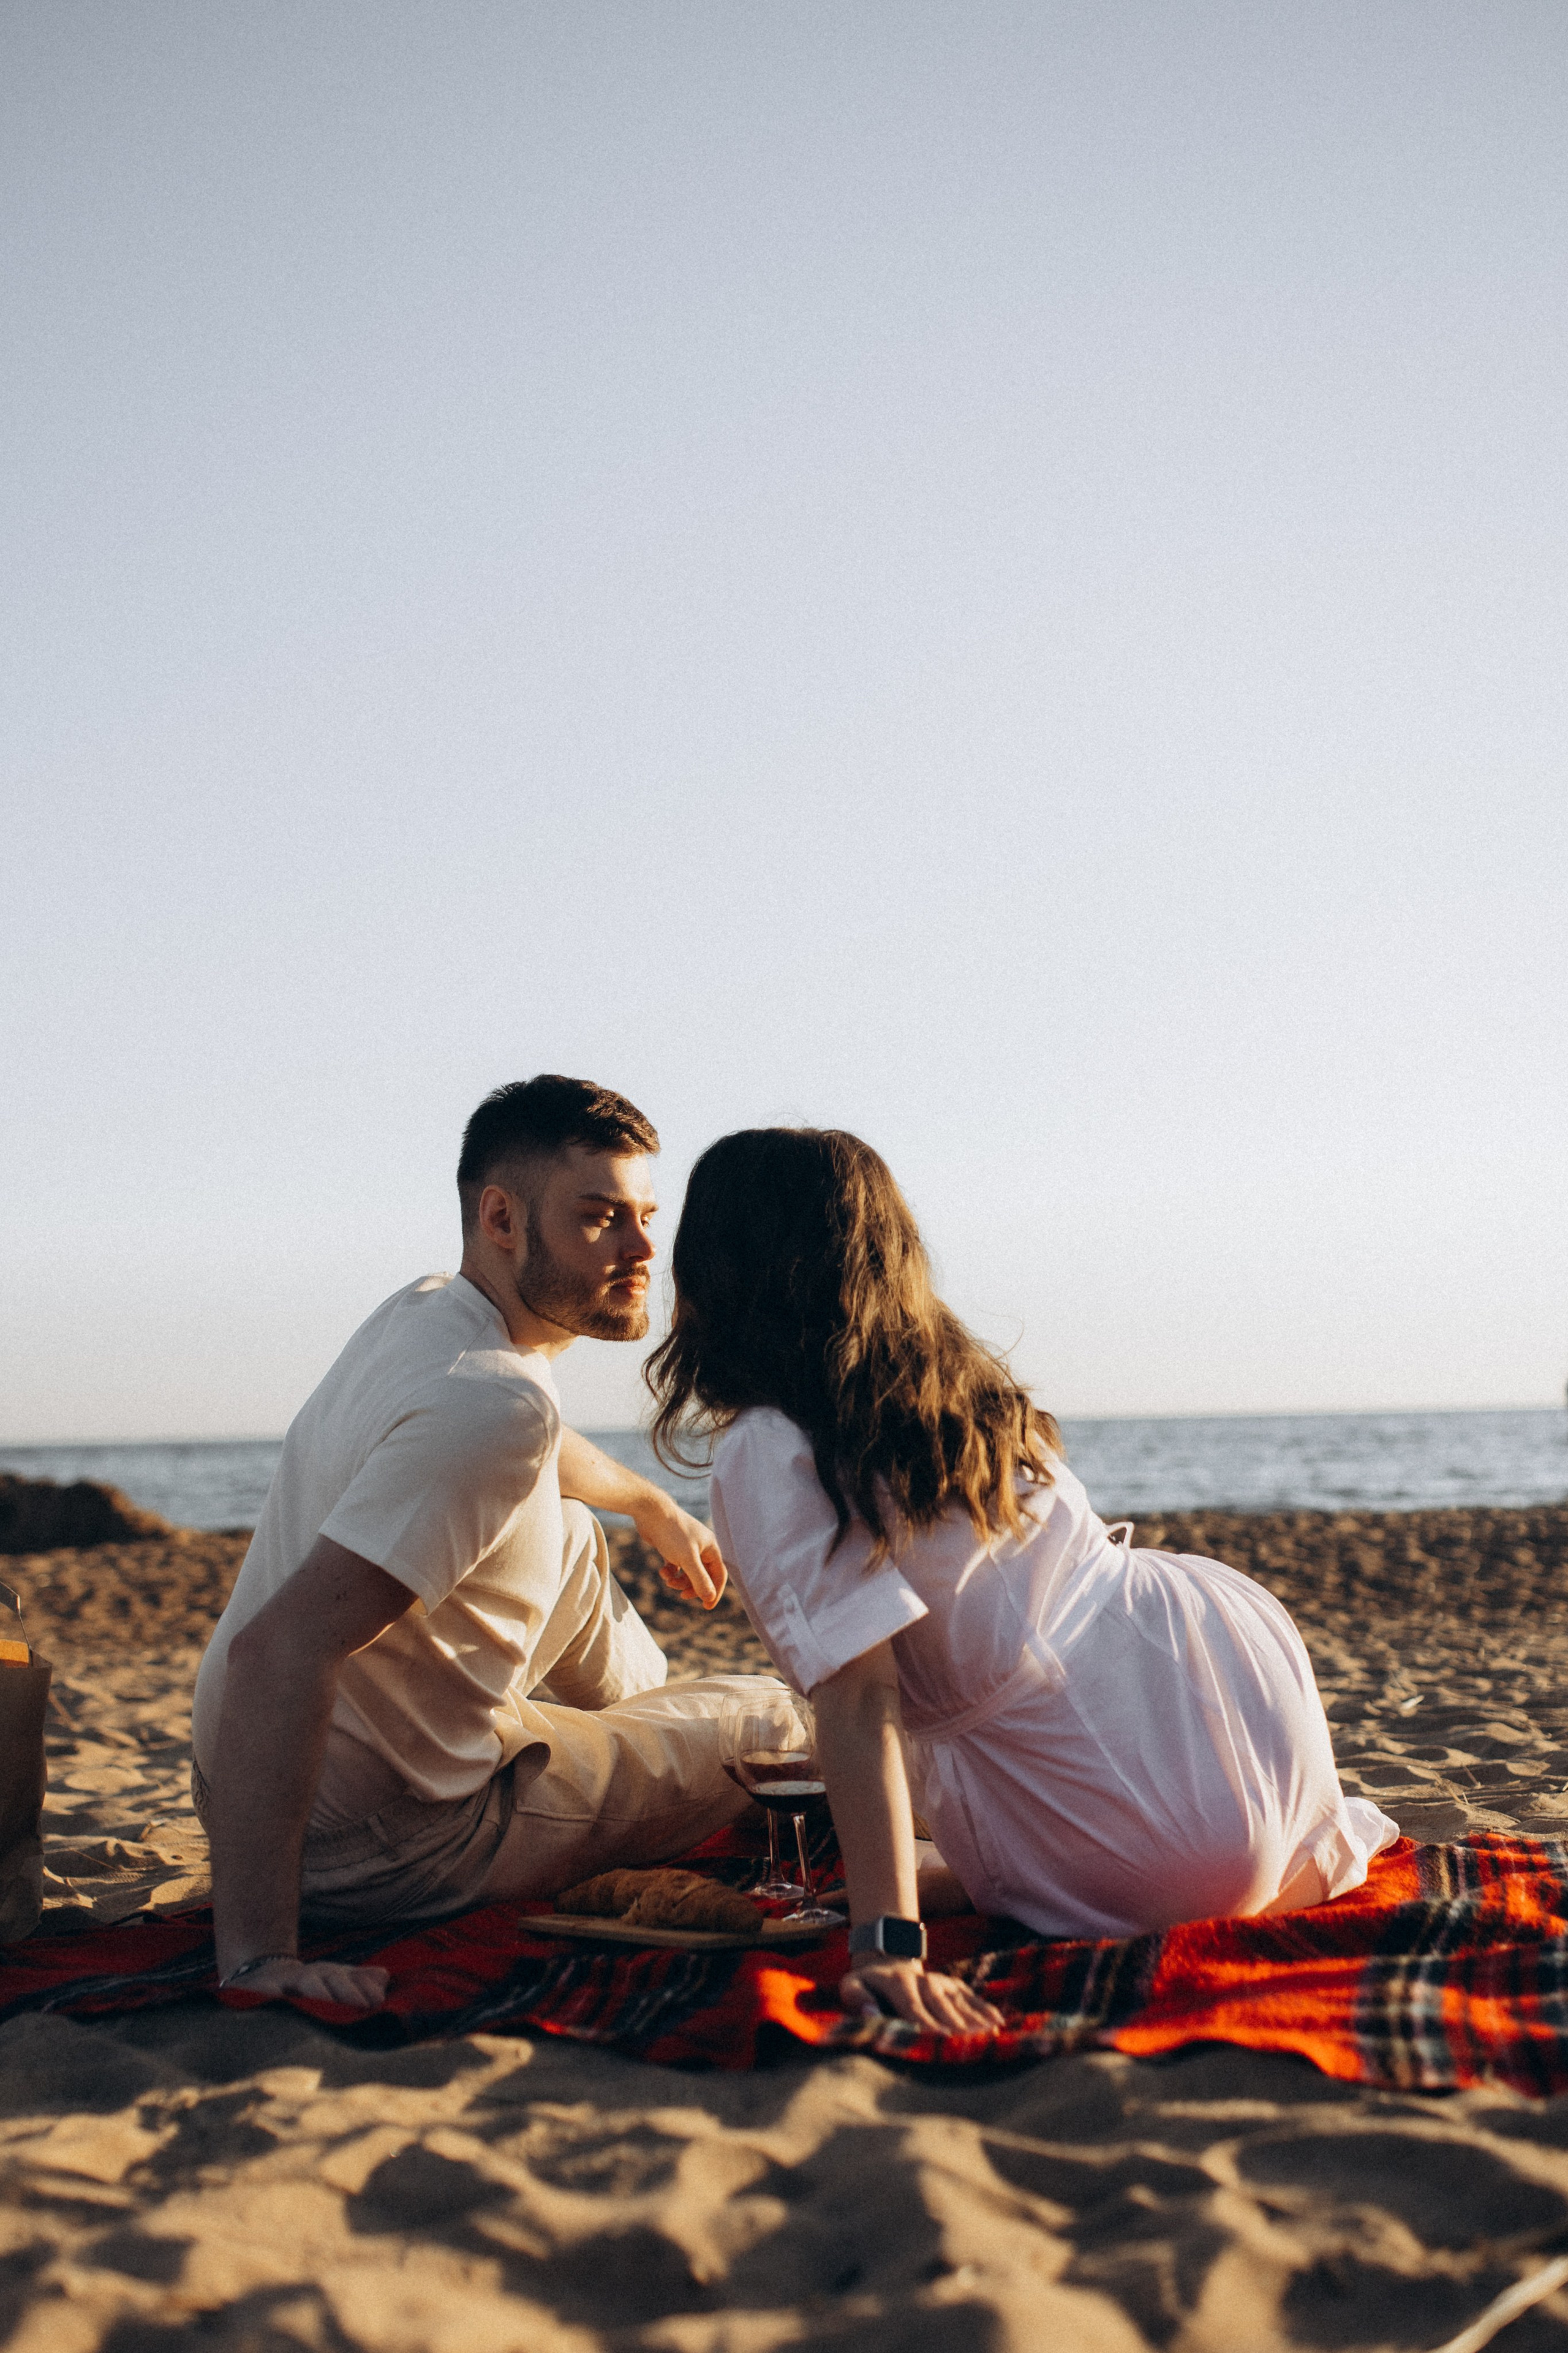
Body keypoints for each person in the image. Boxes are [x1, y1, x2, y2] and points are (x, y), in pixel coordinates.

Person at [648, 1127, 1399, 2036]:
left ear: (718, 1266)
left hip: (1161, 1839)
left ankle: (961, 1876)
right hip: (1235, 1677)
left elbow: (858, 1697)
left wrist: (886, 1941)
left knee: (887, 1754)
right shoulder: (950, 1389)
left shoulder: (764, 1445)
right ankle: (971, 1869)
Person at [194, 1075, 772, 2012]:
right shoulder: (494, 1407)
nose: (641, 1249)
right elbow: (279, 1648)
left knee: (574, 1531)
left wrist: (648, 1503)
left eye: (644, 1215)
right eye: (600, 1218)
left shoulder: (431, 1317)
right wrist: (259, 1957)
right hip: (388, 1835)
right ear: (501, 1217)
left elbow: (530, 1442)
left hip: (257, 1777)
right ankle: (676, 1748)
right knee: (772, 1720)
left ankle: (654, 1729)